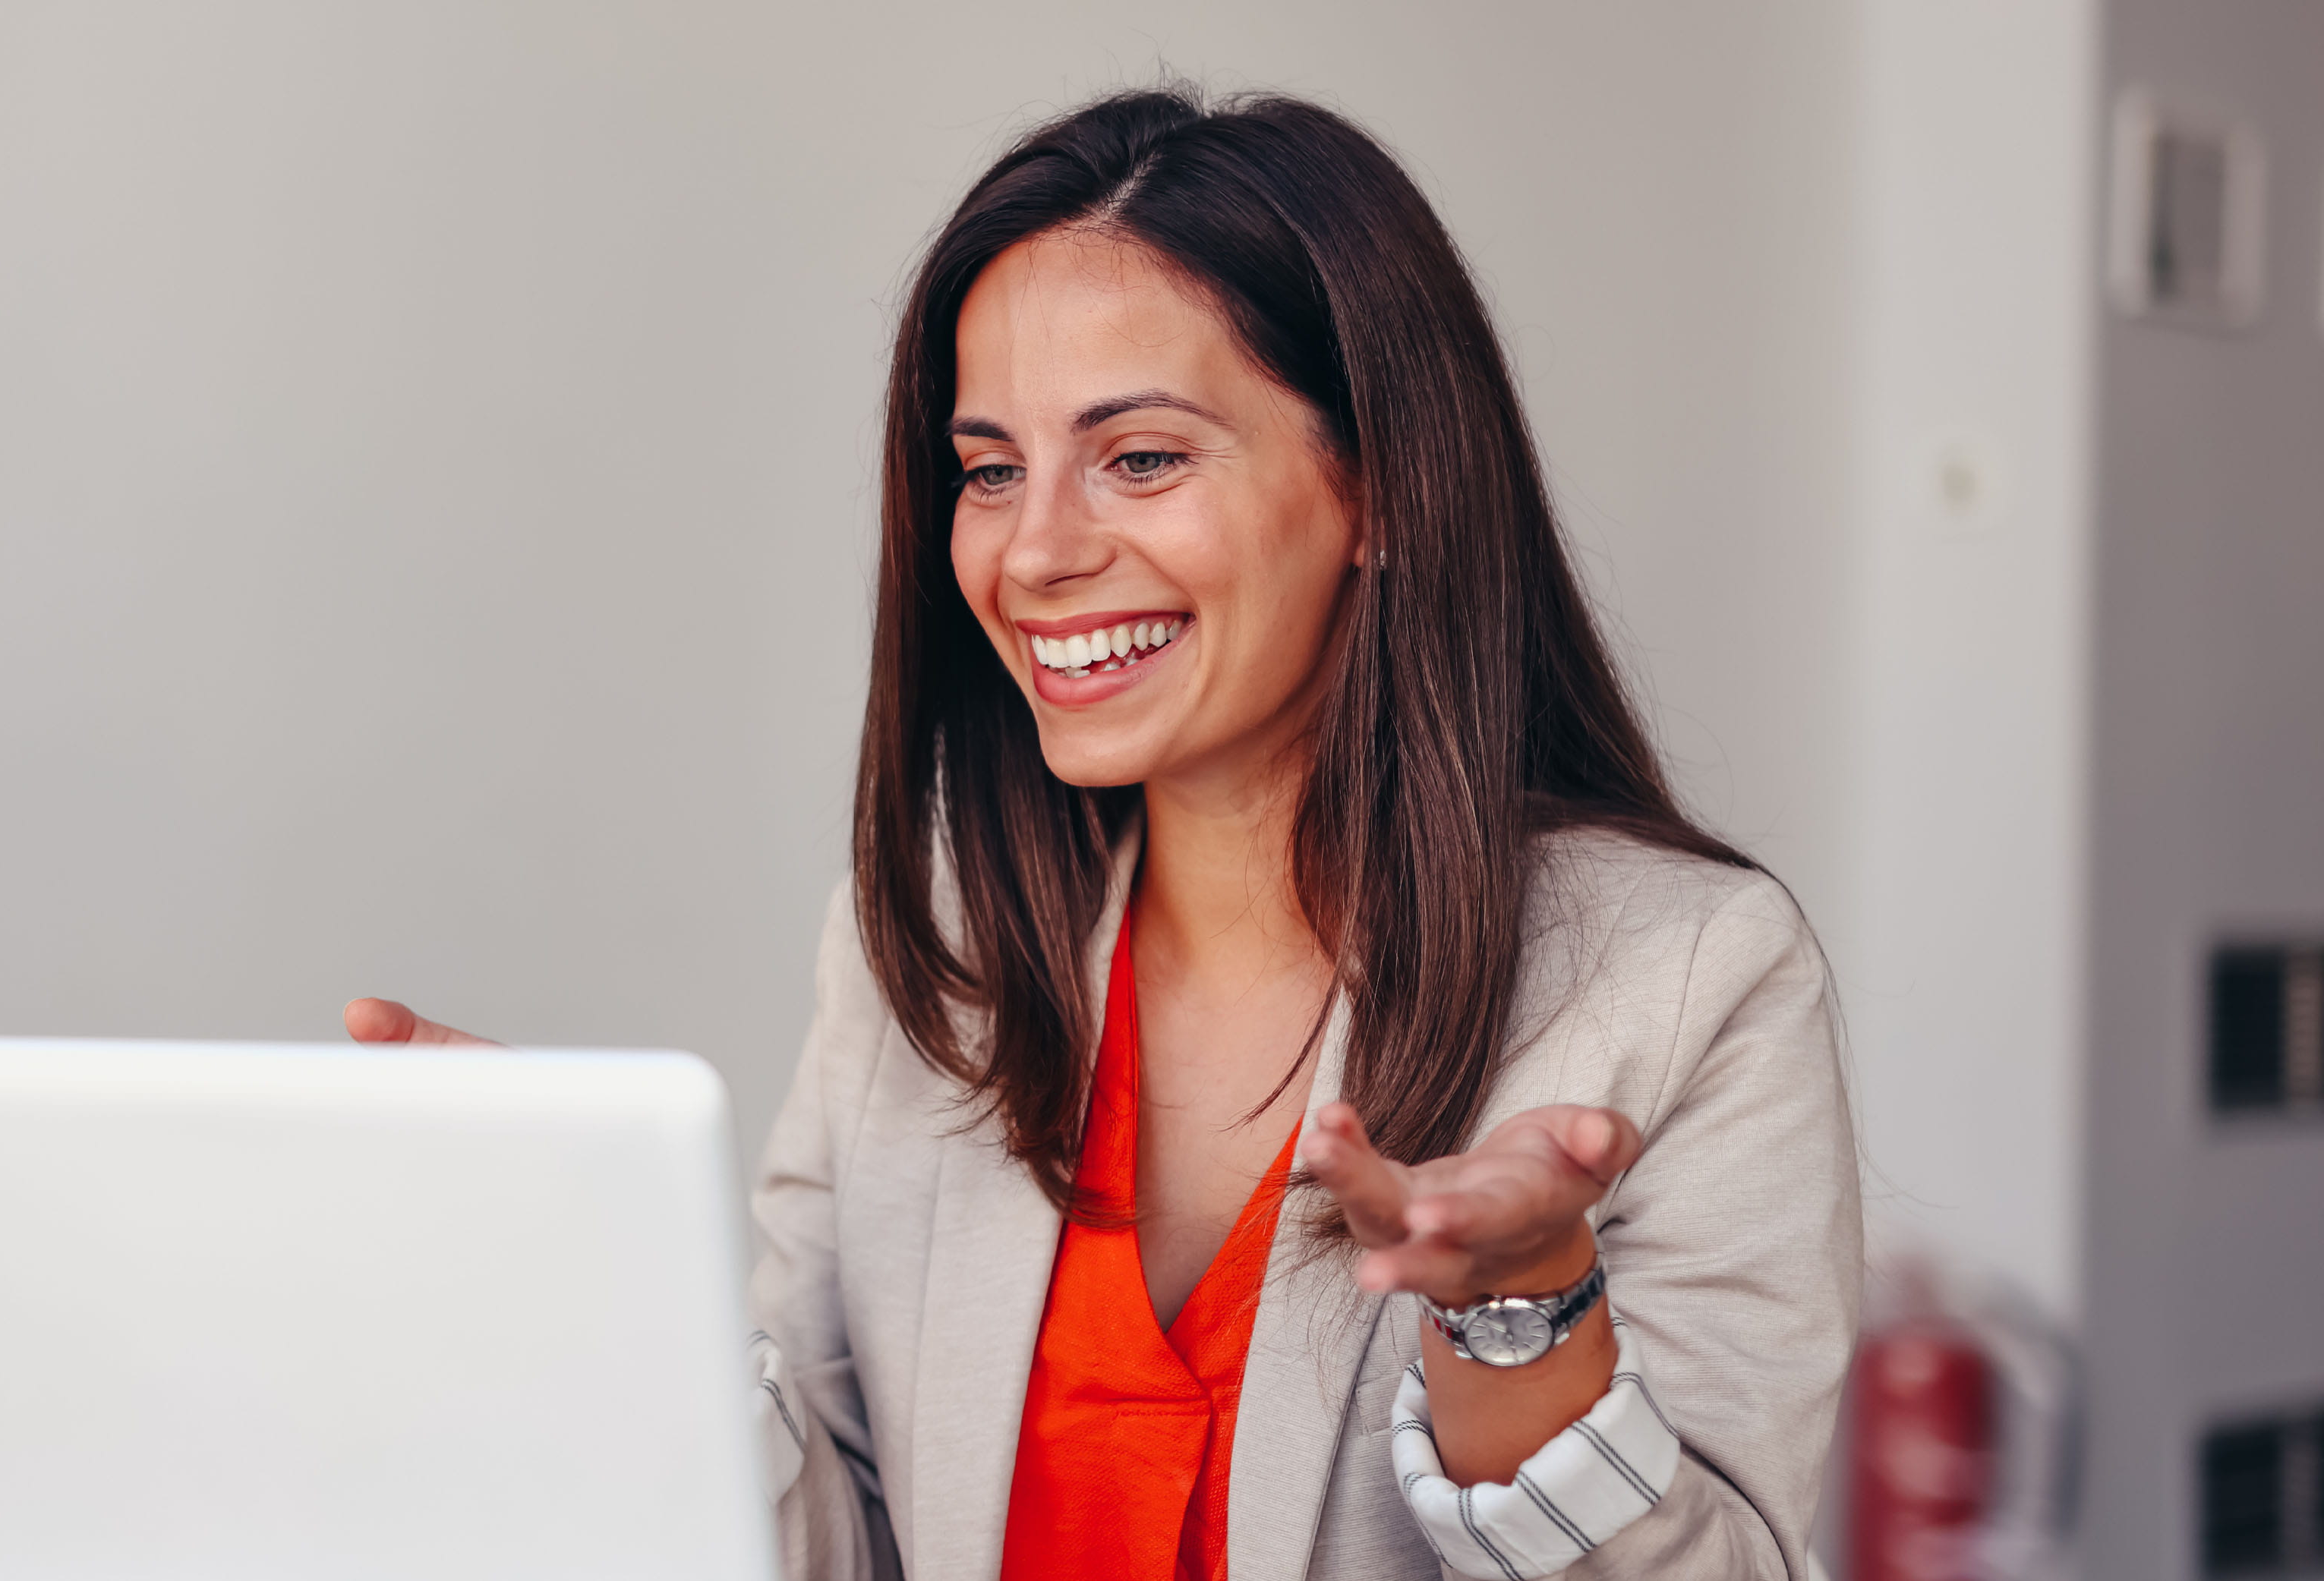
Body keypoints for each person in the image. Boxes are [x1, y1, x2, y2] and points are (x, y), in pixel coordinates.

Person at [348, 87, 1856, 1579]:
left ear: (1381, 485)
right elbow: (821, 1552)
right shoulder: (929, 953)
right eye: (990, 469)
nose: (1036, 552)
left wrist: (1522, 1313)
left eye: (1138, 458)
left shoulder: (1689, 976)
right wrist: (602, 1278)